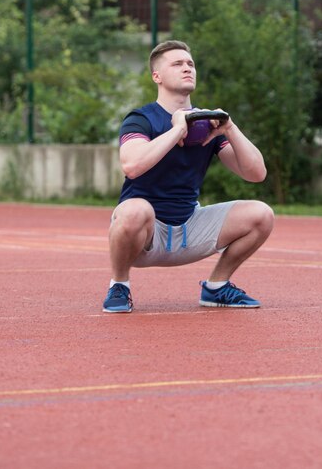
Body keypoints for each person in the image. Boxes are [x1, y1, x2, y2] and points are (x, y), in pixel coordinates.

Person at [103, 40, 274, 313]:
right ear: (156, 76)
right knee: (133, 210)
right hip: (146, 234)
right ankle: (119, 285)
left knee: (261, 214)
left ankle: (217, 287)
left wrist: (229, 128)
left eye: (190, 64)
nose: (187, 68)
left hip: (190, 228)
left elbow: (256, 174)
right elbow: (132, 165)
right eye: (177, 64)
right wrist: (176, 131)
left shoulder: (208, 122)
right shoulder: (141, 119)